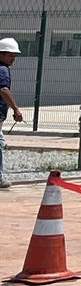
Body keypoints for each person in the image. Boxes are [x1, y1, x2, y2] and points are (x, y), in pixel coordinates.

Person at [0, 38, 22, 190]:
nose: (13, 59)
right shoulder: (2, 69)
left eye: (14, 55)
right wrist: (16, 109)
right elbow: (3, 90)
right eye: (10, 55)